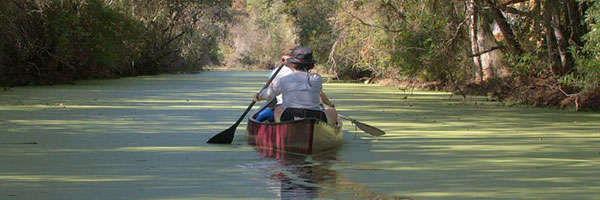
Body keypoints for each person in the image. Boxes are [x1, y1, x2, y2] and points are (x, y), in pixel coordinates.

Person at [254, 46, 338, 126]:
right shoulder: (317, 78)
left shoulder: (284, 80)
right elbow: (301, 78)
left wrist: (259, 97)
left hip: (290, 116)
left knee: (278, 110)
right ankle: (328, 132)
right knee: (332, 111)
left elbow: (269, 94)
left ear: (293, 63)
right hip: (315, 116)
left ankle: (282, 129)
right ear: (310, 64)